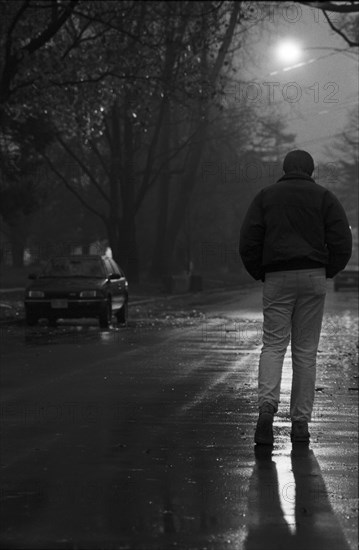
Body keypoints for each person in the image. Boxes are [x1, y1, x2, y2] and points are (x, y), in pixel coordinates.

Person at [239, 150, 352, 445]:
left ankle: (266, 410)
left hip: (277, 275)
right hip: (313, 273)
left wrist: (260, 271)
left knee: (274, 345)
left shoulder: (266, 197)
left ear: (285, 169)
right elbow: (342, 240)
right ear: (311, 170)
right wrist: (329, 269)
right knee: (305, 352)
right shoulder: (324, 198)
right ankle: (300, 423)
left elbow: (249, 239)